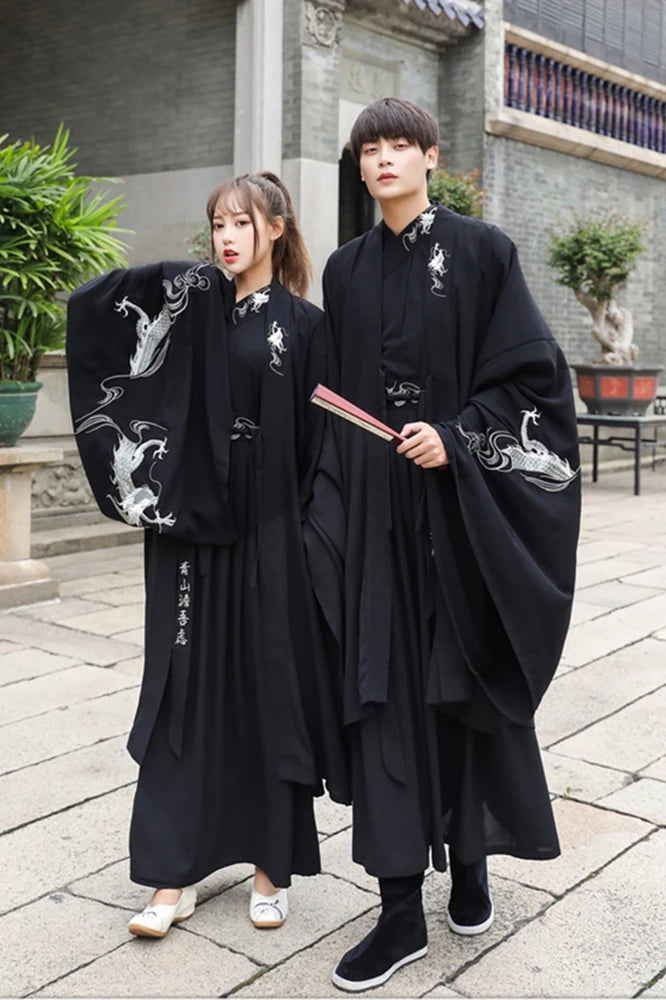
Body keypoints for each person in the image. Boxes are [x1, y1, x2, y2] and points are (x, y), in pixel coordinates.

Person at [304, 98, 581, 991]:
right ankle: (395, 912)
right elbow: (330, 394)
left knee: (460, 687)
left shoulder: (482, 253)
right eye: (369, 150)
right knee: (381, 694)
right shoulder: (344, 272)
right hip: (379, 520)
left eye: (399, 147)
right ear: (359, 168)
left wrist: (456, 438)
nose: (383, 161)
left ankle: (470, 870)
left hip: (463, 514)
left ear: (430, 157)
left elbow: (530, 376)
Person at [66, 171, 348, 939]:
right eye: (217, 224)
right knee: (180, 696)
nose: (225, 238)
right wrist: (172, 282)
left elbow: (327, 447)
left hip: (271, 534)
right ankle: (171, 876)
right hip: (189, 535)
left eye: (241, 224)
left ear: (277, 229)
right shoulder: (188, 311)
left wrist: (311, 540)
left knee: (267, 689)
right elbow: (102, 320)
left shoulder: (307, 326)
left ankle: (270, 868)